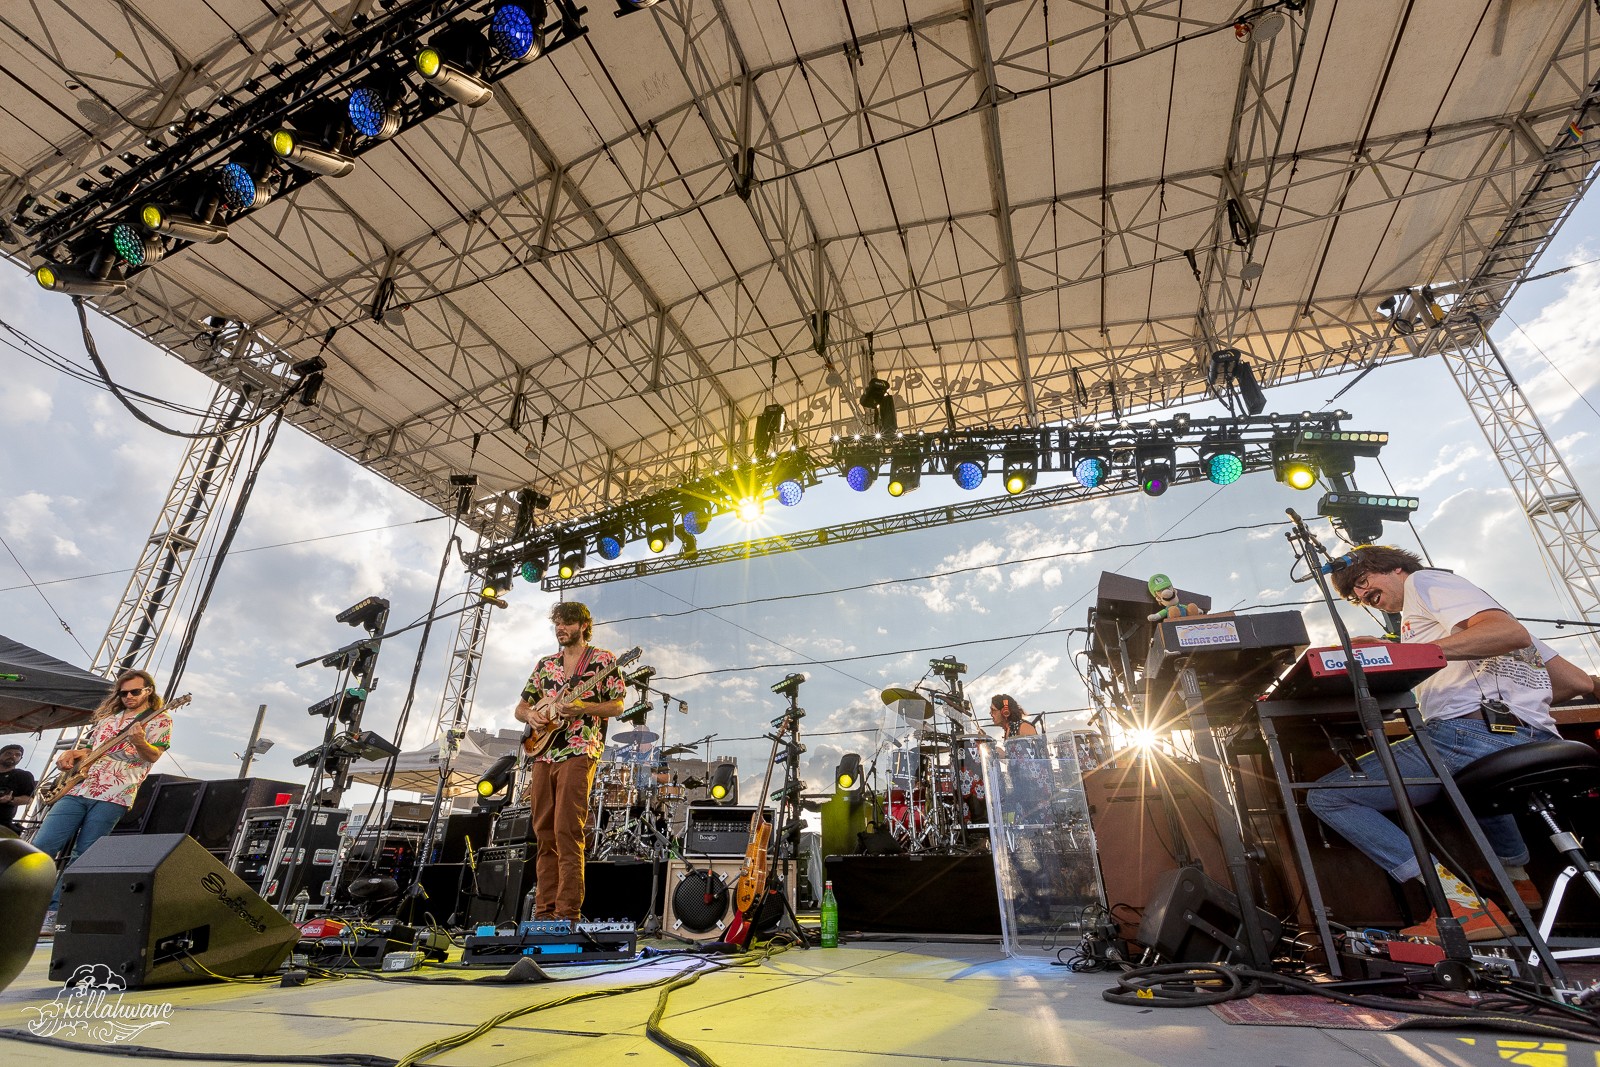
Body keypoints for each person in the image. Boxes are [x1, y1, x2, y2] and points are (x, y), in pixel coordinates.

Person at [1309, 546, 1569, 942]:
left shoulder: (1424, 582)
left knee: (1330, 796)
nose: (1361, 596)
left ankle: (1460, 904)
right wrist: (1397, 646)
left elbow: (1507, 632)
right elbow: (1576, 684)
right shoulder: (1436, 617)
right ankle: (1516, 878)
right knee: (1469, 783)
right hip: (1533, 736)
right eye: (1354, 595)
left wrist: (1400, 653)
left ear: (1395, 568)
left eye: (1363, 582)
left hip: (1474, 733)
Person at [30, 669, 173, 932]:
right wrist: (73, 753)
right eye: (123, 693)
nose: (128, 696)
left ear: (148, 691)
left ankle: (54, 912)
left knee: (83, 856)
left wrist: (140, 741)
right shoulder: (109, 719)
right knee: (41, 846)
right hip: (78, 788)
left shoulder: (159, 720)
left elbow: (152, 756)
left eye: (134, 692)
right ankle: (22, 903)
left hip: (115, 793)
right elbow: (93, 751)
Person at [513, 602, 625, 923]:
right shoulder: (546, 664)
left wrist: (583, 707)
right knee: (544, 833)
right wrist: (532, 715)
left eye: (566, 623)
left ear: (583, 625)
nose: (560, 629)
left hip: (579, 750)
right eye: (557, 624)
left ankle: (567, 914)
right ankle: (544, 913)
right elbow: (521, 708)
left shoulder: (603, 661)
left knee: (567, 831)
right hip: (542, 753)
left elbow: (617, 705)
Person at [0, 743, 37, 832]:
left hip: (2, 824)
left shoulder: (23, 776)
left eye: (17, 755)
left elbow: (30, 799)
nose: (13, 756)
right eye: (8, 753)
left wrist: (10, 799)